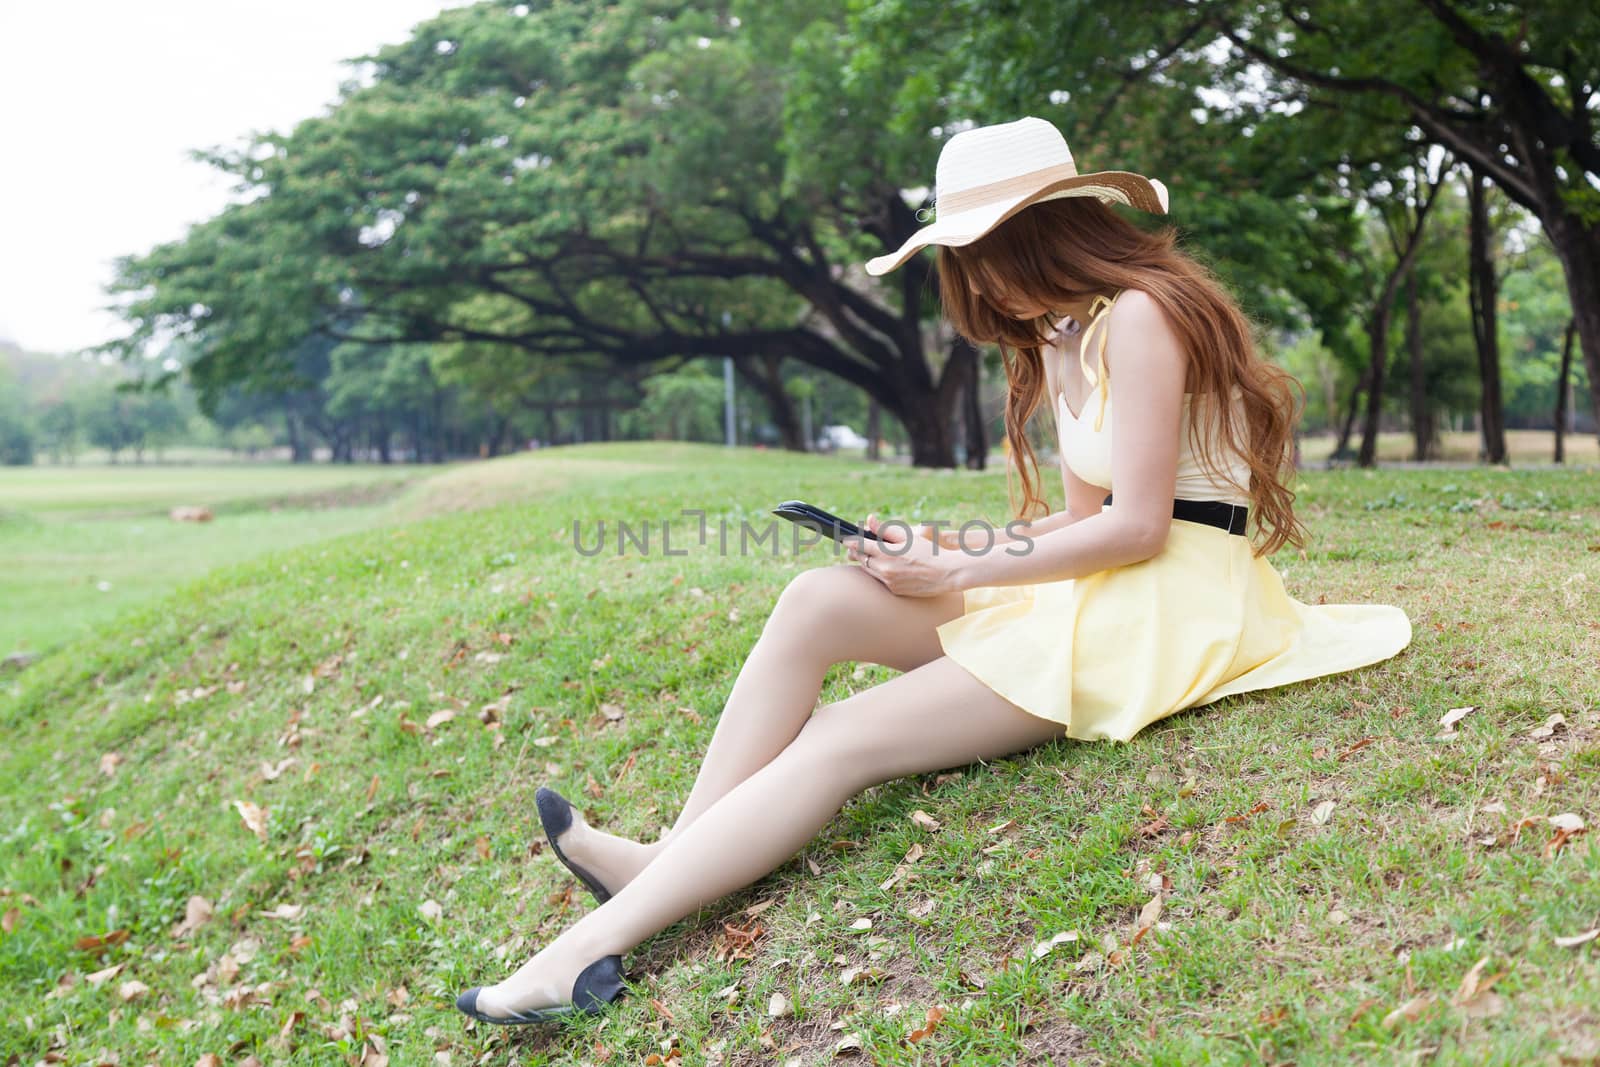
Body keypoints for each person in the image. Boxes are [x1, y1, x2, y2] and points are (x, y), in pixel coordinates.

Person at [454, 115, 1412, 1025]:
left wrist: (965, 561)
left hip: (1173, 604)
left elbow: (1138, 530)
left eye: (973, 257)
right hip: (1108, 586)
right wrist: (941, 557)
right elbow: (1077, 528)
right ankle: (667, 856)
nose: (973, 287)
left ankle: (585, 950)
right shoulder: (1066, 333)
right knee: (819, 600)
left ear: (1034, 236)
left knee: (836, 740)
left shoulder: (1147, 317)